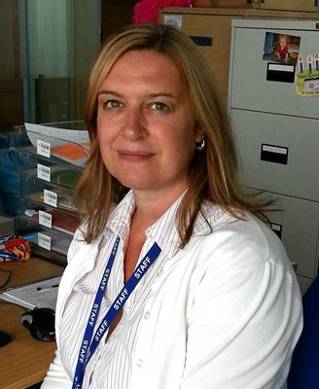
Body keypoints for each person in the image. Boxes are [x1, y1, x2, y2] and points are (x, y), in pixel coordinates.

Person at [41, 23, 302, 389]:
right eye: (113, 103)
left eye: (158, 106)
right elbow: (69, 370)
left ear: (199, 127)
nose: (132, 129)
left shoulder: (242, 263)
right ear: (95, 125)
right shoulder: (94, 233)